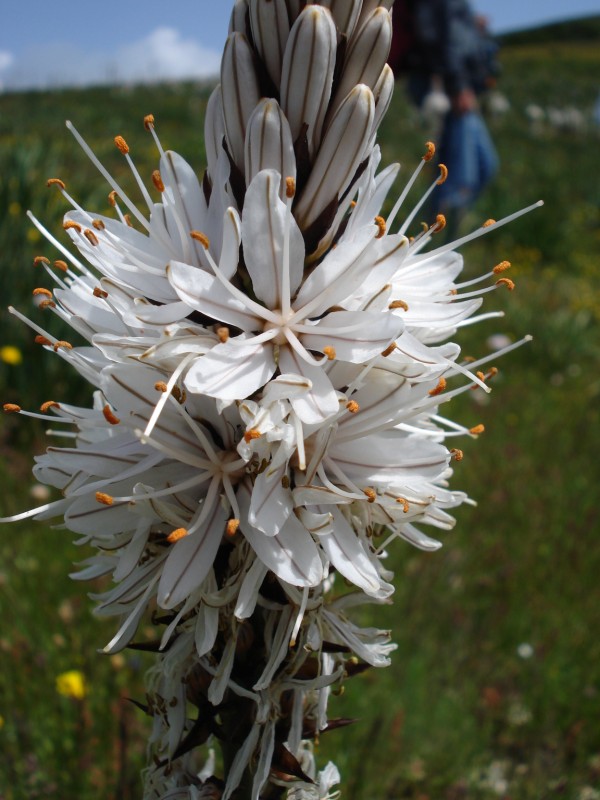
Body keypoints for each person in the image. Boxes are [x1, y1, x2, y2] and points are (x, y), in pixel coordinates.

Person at [390, 0, 500, 238]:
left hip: (456, 84)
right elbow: (439, 35)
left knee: (482, 166)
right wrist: (457, 85)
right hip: (449, 87)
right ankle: (436, 242)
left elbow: (448, 30)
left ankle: (441, 235)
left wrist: (472, 24)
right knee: (460, 175)